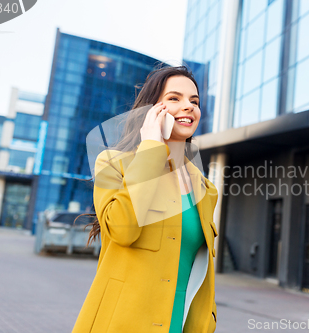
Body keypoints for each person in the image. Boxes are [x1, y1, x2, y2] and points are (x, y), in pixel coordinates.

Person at [72, 65, 219, 333]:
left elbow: (200, 270)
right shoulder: (113, 164)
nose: (188, 107)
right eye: (174, 98)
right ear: (152, 111)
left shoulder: (205, 188)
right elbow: (123, 229)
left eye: (194, 101)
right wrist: (151, 149)